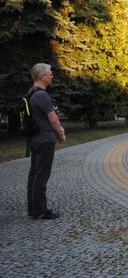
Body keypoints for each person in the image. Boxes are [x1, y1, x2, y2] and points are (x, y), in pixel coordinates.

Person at [26, 63, 65, 220]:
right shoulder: (42, 95)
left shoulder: (31, 92)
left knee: (34, 175)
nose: (52, 76)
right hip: (44, 139)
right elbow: (53, 119)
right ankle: (40, 211)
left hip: (35, 138)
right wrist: (60, 134)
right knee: (41, 176)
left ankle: (34, 208)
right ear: (42, 77)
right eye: (50, 74)